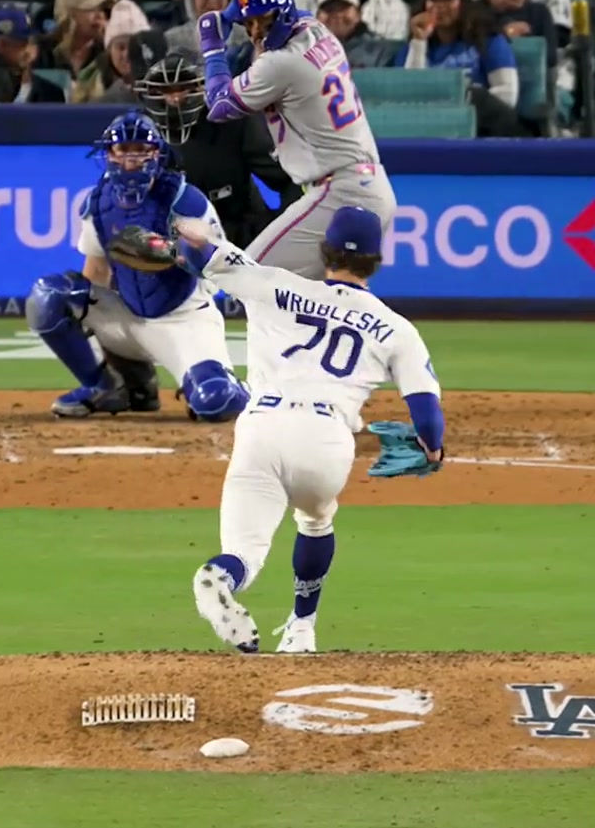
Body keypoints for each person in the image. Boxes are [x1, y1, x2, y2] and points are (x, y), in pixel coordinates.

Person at [183, 206, 443, 652]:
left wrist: (183, 233)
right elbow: (426, 411)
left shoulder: (274, 284)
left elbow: (202, 254)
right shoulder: (397, 329)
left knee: (244, 552)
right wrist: (432, 449)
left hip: (261, 429)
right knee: (317, 521)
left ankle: (220, 578)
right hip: (326, 439)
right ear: (376, 260)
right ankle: (302, 627)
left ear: (325, 251)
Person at [25, 111, 249, 420]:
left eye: (141, 150)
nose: (131, 160)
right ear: (109, 154)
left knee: (216, 401)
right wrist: (96, 335)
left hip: (184, 321)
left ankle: (246, 390)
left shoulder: (184, 200)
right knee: (49, 295)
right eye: (123, 150)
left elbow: (217, 267)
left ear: (157, 154)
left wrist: (174, 254)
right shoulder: (99, 202)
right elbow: (96, 273)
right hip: (128, 317)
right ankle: (108, 386)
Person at [198, 0, 397, 277]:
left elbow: (219, 106)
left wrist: (213, 46)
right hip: (367, 186)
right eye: (248, 23)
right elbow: (296, 14)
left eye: (263, 21)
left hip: (341, 193)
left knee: (244, 277)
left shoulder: (280, 64)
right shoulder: (318, 30)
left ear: (283, 15)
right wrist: (239, 10)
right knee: (319, 295)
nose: (255, 33)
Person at [133, 41, 301, 246]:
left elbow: (289, 179)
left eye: (183, 88)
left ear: (201, 86)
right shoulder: (138, 131)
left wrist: (282, 234)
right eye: (166, 90)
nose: (175, 99)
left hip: (239, 233)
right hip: (169, 241)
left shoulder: (233, 119)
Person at [394, 0, 526, 138]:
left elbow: (508, 95)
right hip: (427, 132)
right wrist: (419, 41)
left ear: (464, 3)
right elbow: (409, 96)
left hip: (479, 132)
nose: (439, 6)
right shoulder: (413, 46)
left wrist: (458, 109)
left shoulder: (489, 39)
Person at [478, 0, 558, 92]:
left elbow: (551, 57)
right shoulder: (474, 11)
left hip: (529, 85)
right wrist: (505, 35)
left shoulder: (539, 13)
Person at [72, 0, 149, 103]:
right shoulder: (88, 82)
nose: (127, 54)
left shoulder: (163, 81)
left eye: (133, 46)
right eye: (120, 47)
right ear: (109, 51)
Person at [314, 0, 397, 67]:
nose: (337, 15)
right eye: (328, 9)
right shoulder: (305, 50)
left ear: (359, 14)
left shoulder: (381, 52)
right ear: (317, 15)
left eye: (343, 8)